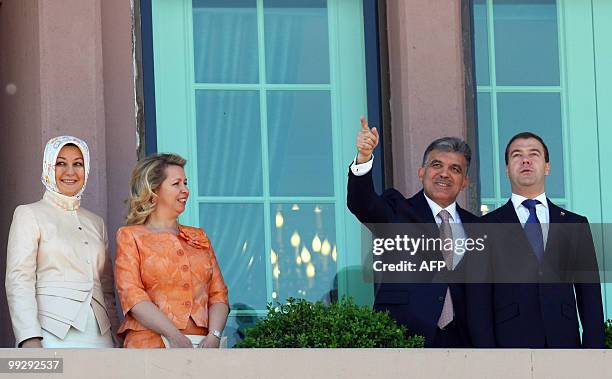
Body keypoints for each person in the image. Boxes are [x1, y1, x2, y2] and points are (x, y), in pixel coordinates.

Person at [347, 117, 478, 347]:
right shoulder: (397, 210)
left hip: (464, 344)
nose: (445, 174)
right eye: (437, 165)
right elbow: (363, 204)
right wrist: (364, 158)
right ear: (421, 172)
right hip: (403, 337)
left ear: (464, 181)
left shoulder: (479, 227)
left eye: (455, 169)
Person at [467, 132, 605, 348]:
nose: (525, 160)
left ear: (547, 167)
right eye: (516, 155)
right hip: (509, 347)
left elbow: (591, 298)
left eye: (534, 154)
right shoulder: (485, 227)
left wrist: (593, 355)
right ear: (506, 169)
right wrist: (489, 358)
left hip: (565, 345)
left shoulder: (574, 224)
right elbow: (478, 302)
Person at [5, 136, 119, 348]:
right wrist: (29, 338)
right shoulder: (29, 214)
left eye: (78, 164)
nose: (70, 172)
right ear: (48, 167)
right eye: (60, 163)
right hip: (50, 334)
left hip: (100, 337)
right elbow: (19, 280)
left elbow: (106, 289)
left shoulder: (96, 222)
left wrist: (115, 336)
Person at [114, 153, 229, 348]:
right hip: (149, 346)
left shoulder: (199, 237)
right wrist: (173, 335)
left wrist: (214, 336)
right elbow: (132, 296)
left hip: (201, 347)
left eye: (186, 183)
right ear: (154, 190)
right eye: (176, 184)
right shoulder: (130, 236)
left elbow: (219, 295)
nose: (185, 190)